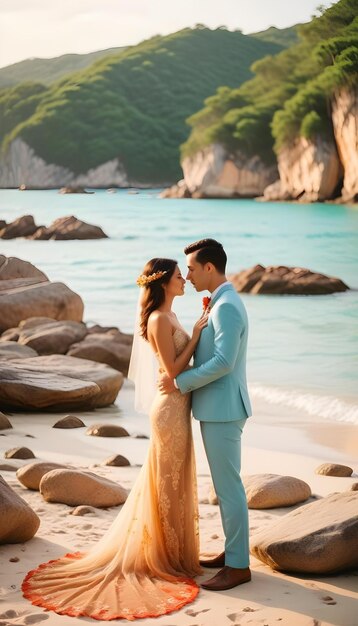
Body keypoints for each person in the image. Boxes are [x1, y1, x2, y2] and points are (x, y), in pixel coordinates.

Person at [22, 258, 208, 621]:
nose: (184, 279)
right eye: (177, 276)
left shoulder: (168, 315)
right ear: (163, 283)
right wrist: (198, 336)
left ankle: (173, 552)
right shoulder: (158, 319)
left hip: (177, 407)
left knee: (172, 480)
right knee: (166, 482)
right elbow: (172, 371)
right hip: (169, 410)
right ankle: (164, 556)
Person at [158, 239, 252, 591]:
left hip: (224, 408)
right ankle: (232, 554)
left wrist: (181, 381)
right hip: (217, 406)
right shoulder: (220, 302)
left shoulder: (226, 305)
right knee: (226, 487)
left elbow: (225, 362)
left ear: (209, 267)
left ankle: (239, 566)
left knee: (230, 489)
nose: (190, 276)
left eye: (193, 270)